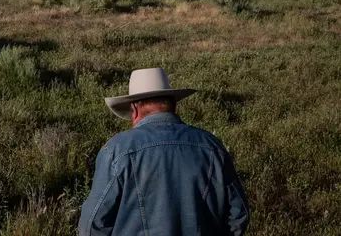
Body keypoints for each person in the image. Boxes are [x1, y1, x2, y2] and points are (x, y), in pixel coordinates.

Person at [79, 68, 249, 236]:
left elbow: (93, 224)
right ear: (173, 104)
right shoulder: (212, 147)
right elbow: (238, 213)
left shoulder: (116, 150)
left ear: (135, 109)